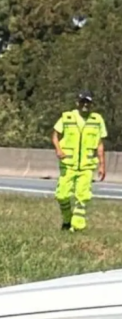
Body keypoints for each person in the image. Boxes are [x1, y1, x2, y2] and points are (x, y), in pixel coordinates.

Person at [51, 90, 107, 232]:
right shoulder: (67, 117)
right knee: (62, 195)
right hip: (68, 164)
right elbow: (55, 136)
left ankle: (77, 226)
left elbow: (100, 144)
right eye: (82, 102)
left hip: (87, 166)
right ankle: (67, 219)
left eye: (88, 102)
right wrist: (58, 150)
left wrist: (102, 165)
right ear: (77, 103)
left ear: (91, 104)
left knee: (82, 196)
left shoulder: (97, 120)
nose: (85, 105)